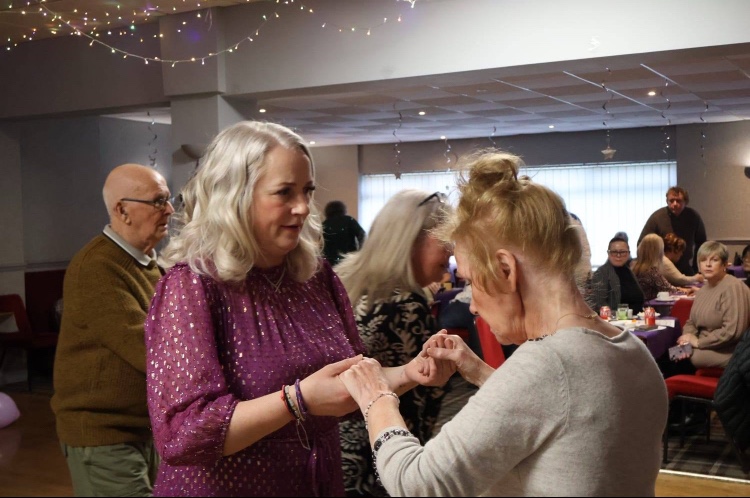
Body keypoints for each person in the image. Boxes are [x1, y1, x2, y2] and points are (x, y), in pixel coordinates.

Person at [143, 121, 451, 497]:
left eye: (307, 190)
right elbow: (183, 435)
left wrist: (409, 373)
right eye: (284, 192)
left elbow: (346, 384)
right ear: (235, 196)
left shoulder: (314, 275)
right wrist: (296, 401)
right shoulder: (193, 284)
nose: (303, 207)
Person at [338, 149, 668, 496]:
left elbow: (417, 484)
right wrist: (481, 372)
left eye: (471, 281)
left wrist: (376, 396)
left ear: (505, 270)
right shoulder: (632, 350)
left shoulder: (544, 366)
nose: (473, 305)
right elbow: (562, 410)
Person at [51, 163, 174, 496]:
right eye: (158, 201)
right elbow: (146, 349)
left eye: (168, 199)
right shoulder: (97, 265)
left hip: (145, 429)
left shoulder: (152, 265)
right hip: (104, 434)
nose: (169, 210)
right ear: (122, 210)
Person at [334, 189, 453, 497]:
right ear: (412, 239)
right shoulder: (405, 305)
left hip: (337, 455)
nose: (451, 252)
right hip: (378, 463)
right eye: (445, 240)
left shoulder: (347, 287)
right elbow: (415, 408)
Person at [670, 241, 750, 373]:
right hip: (703, 346)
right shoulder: (703, 290)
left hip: (728, 351)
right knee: (668, 357)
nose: (708, 264)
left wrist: (698, 343)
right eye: (703, 260)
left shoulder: (733, 287)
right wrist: (687, 340)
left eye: (714, 260)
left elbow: (732, 331)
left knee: (680, 358)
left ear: (724, 264)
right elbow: (692, 322)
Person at [638, 186, 707, 275]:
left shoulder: (693, 217)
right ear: (667, 201)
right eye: (671, 201)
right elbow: (642, 243)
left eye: (678, 201)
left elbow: (701, 243)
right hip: (662, 269)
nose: (674, 204)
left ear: (685, 202)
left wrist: (696, 267)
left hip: (685, 267)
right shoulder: (657, 217)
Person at [591, 236, 645, 314]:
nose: (618, 255)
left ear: (628, 253)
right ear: (608, 253)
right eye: (614, 252)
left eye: (622, 252)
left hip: (637, 318)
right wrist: (620, 315)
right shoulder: (601, 273)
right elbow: (599, 305)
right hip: (616, 319)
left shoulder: (628, 271)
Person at [632, 234, 695, 301]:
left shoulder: (634, 267)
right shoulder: (651, 271)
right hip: (649, 305)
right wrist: (683, 290)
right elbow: (667, 288)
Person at [322, 200, 366, 266]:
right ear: (343, 209)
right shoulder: (349, 220)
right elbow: (362, 235)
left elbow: (320, 245)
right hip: (349, 259)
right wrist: (360, 252)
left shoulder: (324, 224)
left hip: (330, 261)